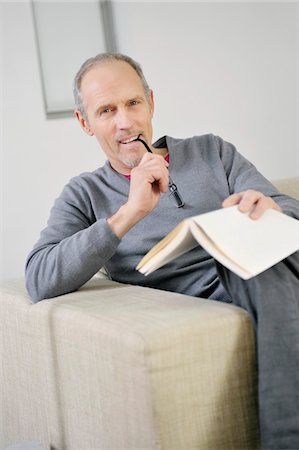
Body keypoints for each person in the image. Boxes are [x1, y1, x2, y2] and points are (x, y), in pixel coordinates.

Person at [25, 53, 299, 449]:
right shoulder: (84, 194)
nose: (125, 122)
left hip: (269, 254)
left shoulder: (212, 151)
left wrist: (271, 206)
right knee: (269, 269)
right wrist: (128, 214)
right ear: (85, 123)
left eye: (133, 103)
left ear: (151, 102)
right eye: (106, 110)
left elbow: (286, 205)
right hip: (230, 280)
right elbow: (39, 276)